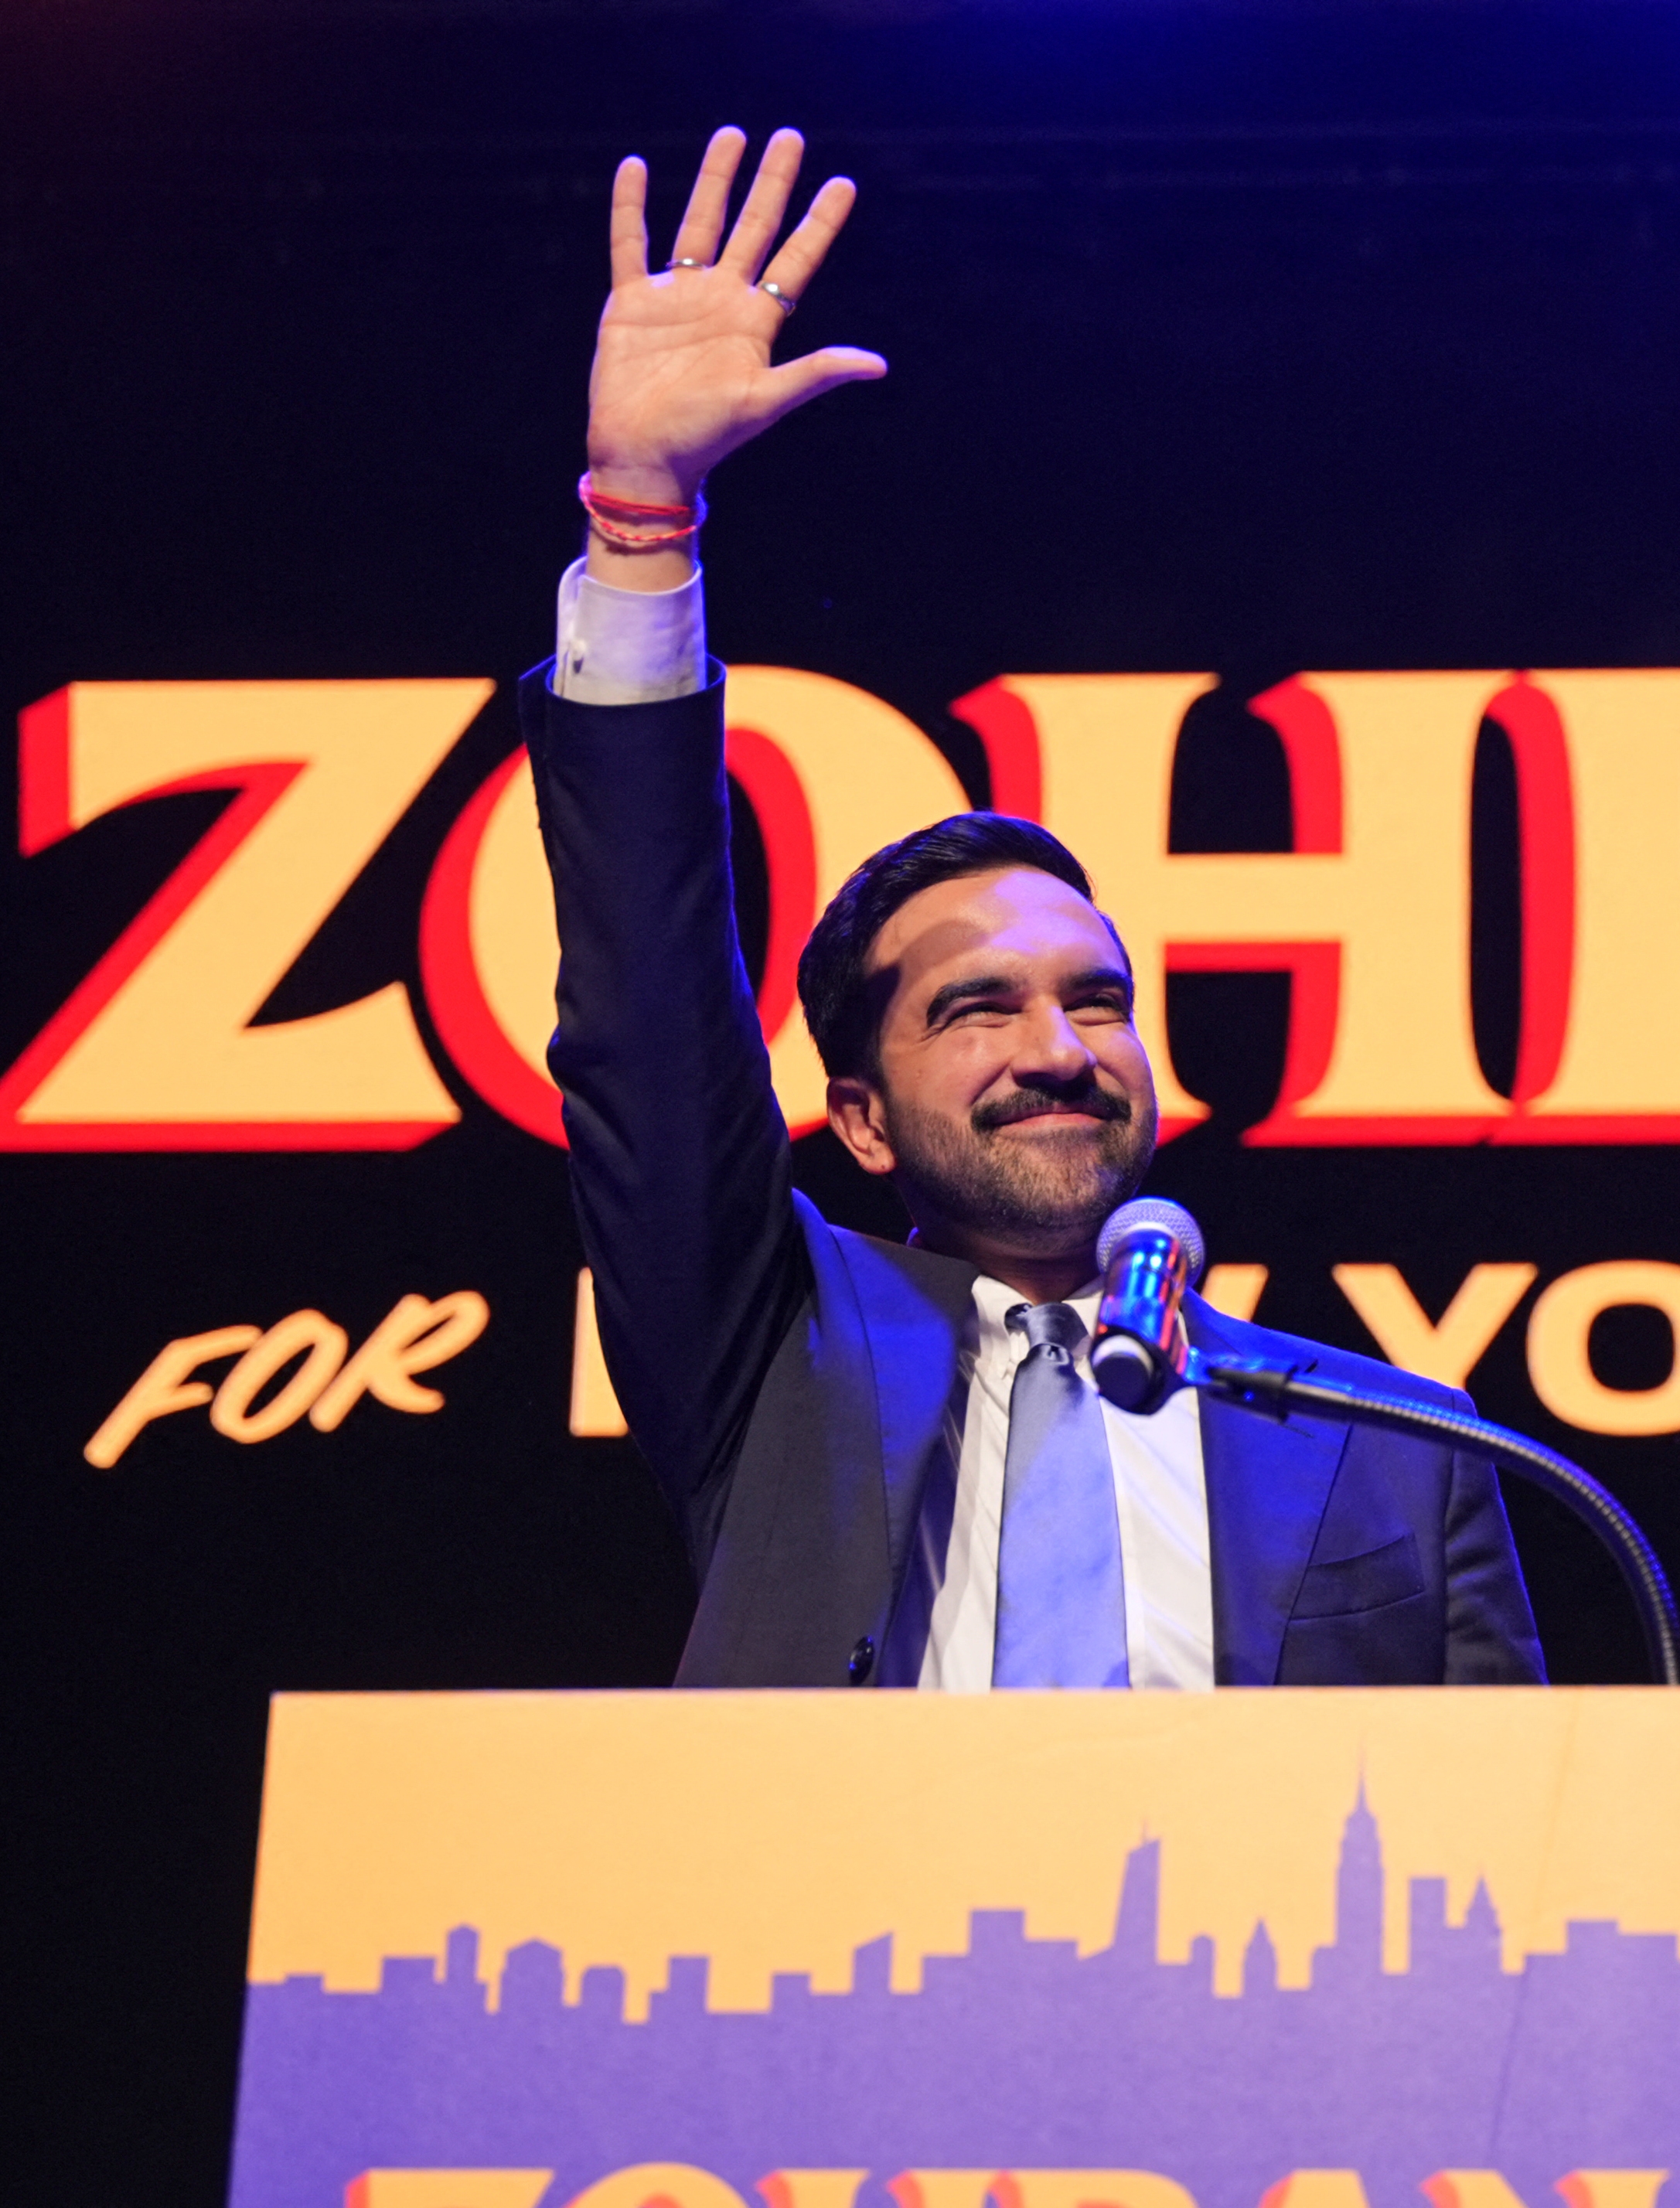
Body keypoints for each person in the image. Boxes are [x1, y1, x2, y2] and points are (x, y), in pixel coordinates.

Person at [524, 125, 1544, 1692]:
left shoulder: (1391, 1444)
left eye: (1094, 999)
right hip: (849, 1942)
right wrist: (642, 524)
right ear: (858, 1121)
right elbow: (647, 1018)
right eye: (976, 1008)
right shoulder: (778, 1354)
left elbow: (1500, 1868)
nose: (1058, 1047)